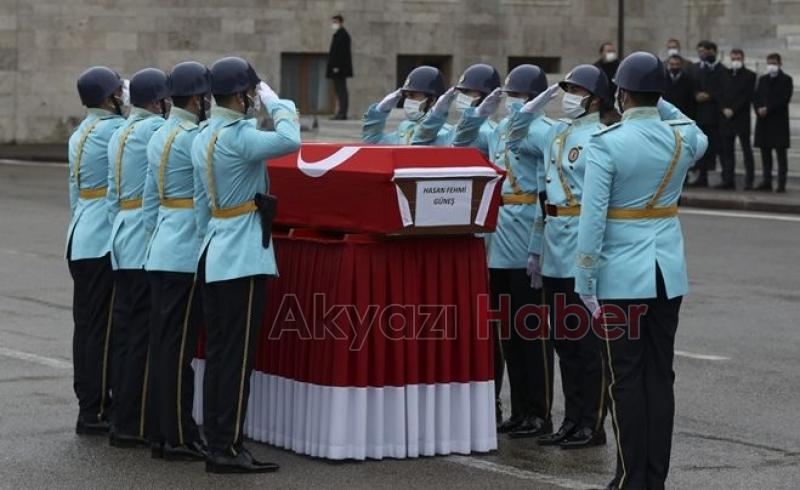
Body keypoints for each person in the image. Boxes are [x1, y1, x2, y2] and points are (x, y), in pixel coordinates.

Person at [575, 52, 708, 490]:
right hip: (667, 273)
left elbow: (592, 220)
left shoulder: (607, 143)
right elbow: (695, 129)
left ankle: (632, 479)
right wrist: (660, 102)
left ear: (622, 93)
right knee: (659, 376)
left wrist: (586, 279)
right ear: (659, 96)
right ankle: (652, 478)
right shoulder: (681, 139)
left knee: (625, 379)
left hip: (621, 278)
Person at [191, 56, 300, 473]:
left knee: (220, 354)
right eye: (252, 93)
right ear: (240, 96)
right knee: (236, 358)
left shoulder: (203, 136)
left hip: (215, 251)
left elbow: (203, 205)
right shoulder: (239, 136)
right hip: (241, 258)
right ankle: (227, 447)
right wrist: (279, 102)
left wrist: (210, 243)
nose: (255, 99)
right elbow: (290, 141)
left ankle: (219, 439)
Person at [451, 64, 559, 435]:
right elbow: (460, 142)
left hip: (528, 225)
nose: (511, 102)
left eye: (518, 96)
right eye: (508, 96)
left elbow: (549, 186)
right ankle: (519, 410)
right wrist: (476, 113)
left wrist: (537, 244)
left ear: (534, 99)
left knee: (532, 331)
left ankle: (540, 411)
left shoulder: (545, 132)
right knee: (508, 333)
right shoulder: (497, 129)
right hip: (498, 232)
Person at [513, 65, 610, 449]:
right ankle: (571, 419)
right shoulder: (557, 132)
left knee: (586, 344)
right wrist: (536, 248)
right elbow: (516, 135)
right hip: (553, 243)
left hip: (581, 244)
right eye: (565, 88)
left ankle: (592, 423)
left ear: (596, 98)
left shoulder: (602, 136)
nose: (569, 95)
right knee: (563, 341)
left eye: (576, 89)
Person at [142, 61, 212, 461]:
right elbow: (203, 201)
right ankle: (179, 436)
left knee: (165, 347)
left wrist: (157, 238)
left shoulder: (161, 134)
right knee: (179, 350)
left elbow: (151, 200)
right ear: (200, 98)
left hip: (161, 247)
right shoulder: (193, 137)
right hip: (186, 252)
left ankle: (160, 432)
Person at [105, 67, 169, 448]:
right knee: (143, 336)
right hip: (144, 238)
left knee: (126, 334)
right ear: (157, 101)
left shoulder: (121, 131)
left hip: (120, 235)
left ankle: (121, 417)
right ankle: (135, 421)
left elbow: (113, 194)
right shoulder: (156, 131)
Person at [68, 67, 126, 436]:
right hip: (104, 237)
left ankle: (87, 403)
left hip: (80, 233)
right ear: (109, 98)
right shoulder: (117, 132)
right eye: (120, 91)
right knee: (104, 328)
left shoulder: (79, 133)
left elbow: (75, 190)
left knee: (86, 326)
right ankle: (98, 409)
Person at [411, 63, 502, 149]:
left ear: (486, 96)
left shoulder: (490, 133)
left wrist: (476, 116)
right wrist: (436, 115)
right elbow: (420, 145)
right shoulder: (454, 131)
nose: (461, 96)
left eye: (466, 92)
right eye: (461, 91)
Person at [361, 65, 452, 145]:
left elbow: (420, 148)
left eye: (412, 95)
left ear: (432, 100)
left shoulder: (443, 132)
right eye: (406, 96)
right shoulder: (406, 128)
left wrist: (436, 117)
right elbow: (373, 143)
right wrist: (379, 112)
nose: (408, 101)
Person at [689, 40, 727, 187]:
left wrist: (710, 96)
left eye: (704, 51)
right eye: (699, 51)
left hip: (716, 116)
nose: (701, 54)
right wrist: (696, 94)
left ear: (712, 51)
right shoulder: (696, 69)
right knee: (702, 148)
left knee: (719, 147)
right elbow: (691, 87)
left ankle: (726, 178)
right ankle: (701, 177)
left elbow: (723, 90)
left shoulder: (722, 70)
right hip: (700, 114)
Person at [754, 53, 793, 192]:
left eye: (774, 63)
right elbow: (756, 96)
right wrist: (758, 108)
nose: (771, 66)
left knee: (780, 154)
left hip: (778, 122)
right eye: (769, 63)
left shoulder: (787, 79)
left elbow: (784, 99)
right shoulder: (763, 79)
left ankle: (781, 183)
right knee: (765, 153)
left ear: (780, 63)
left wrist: (768, 109)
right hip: (764, 121)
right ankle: (767, 181)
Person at [719, 49, 757, 190]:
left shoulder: (750, 75)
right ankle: (728, 180)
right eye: (733, 58)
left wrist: (733, 109)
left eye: (738, 58)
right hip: (726, 118)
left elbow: (747, 96)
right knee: (727, 151)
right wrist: (724, 108)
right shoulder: (724, 74)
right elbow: (719, 93)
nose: (735, 60)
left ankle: (749, 181)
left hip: (741, 117)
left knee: (746, 150)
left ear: (743, 58)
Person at [326, 14, 353, 120]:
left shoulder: (343, 35)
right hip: (338, 68)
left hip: (340, 69)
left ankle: (342, 113)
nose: (334, 24)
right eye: (333, 22)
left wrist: (337, 67)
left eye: (336, 22)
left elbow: (342, 53)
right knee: (339, 90)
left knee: (341, 90)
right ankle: (341, 112)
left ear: (341, 22)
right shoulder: (338, 34)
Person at [594, 42, 622, 125]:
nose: (611, 54)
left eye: (613, 51)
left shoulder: (620, 66)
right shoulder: (596, 68)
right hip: (602, 111)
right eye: (608, 51)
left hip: (618, 111)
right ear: (602, 53)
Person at [663, 55, 695, 119]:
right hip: (667, 114)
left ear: (681, 65)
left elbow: (691, 100)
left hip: (684, 113)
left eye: (677, 64)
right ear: (668, 65)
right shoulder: (662, 79)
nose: (675, 67)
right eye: (672, 64)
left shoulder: (689, 79)